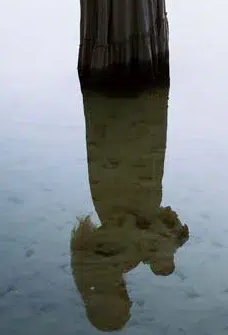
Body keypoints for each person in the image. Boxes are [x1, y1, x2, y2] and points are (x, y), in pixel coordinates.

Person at [70, 86, 189, 331]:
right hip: (125, 191)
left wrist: (150, 237)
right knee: (135, 136)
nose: (129, 298)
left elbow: (109, 235)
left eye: (126, 303)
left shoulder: (100, 271)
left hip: (120, 193)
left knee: (129, 133)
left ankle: (124, 95)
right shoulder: (107, 270)